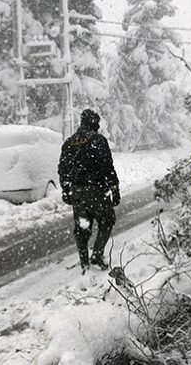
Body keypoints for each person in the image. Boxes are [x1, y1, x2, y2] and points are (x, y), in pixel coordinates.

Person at [58, 109, 120, 274]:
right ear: (94, 123)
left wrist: (66, 190)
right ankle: (98, 254)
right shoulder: (98, 140)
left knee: (82, 228)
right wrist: (114, 188)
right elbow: (108, 167)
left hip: (77, 192)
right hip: (97, 190)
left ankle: (84, 262)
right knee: (107, 220)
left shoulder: (69, 143)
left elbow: (62, 169)